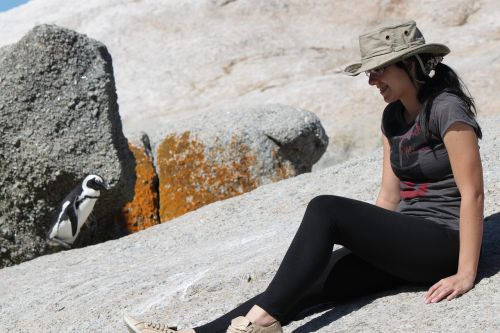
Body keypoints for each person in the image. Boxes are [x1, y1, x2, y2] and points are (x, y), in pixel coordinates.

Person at [123, 20, 484, 333]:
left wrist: (466, 273)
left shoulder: (446, 109)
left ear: (409, 64)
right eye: (369, 72)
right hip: (406, 244)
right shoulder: (392, 117)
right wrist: (369, 244)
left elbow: (473, 194)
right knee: (299, 281)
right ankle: (196, 332)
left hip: (445, 244)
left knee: (325, 208)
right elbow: (389, 198)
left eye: (379, 69)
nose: (371, 80)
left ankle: (261, 325)